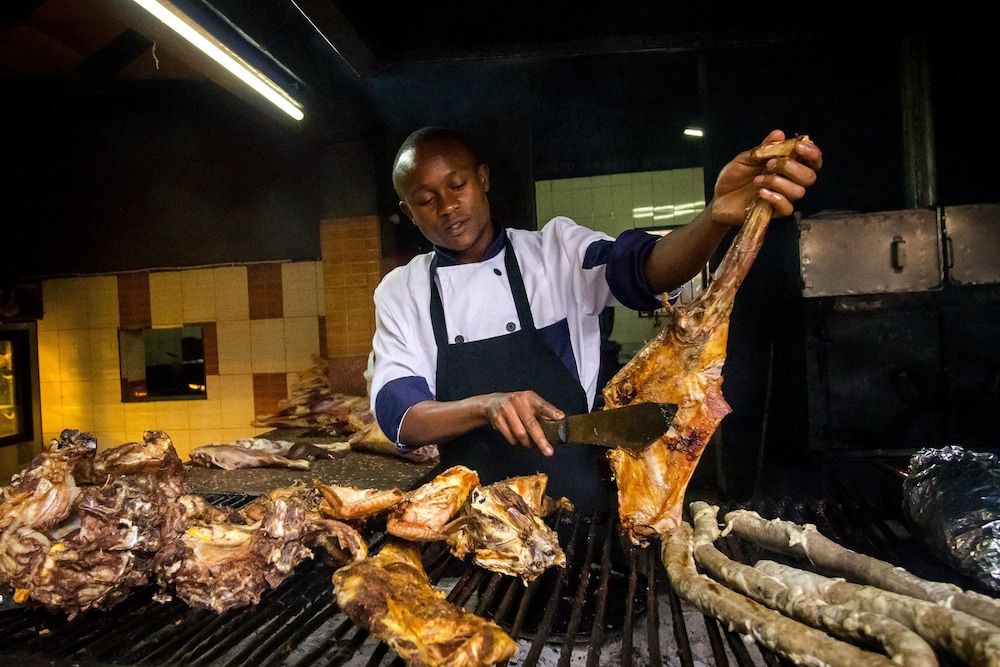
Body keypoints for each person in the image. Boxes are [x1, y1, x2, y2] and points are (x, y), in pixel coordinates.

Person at [370, 127, 822, 509]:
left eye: (457, 185)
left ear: (483, 179)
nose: (447, 207)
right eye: (426, 199)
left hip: (580, 513)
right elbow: (400, 412)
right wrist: (485, 406)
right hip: (469, 522)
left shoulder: (556, 251)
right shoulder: (402, 291)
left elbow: (644, 269)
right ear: (410, 213)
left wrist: (714, 218)